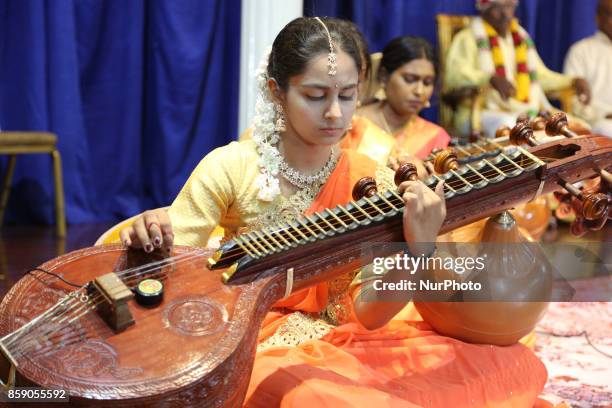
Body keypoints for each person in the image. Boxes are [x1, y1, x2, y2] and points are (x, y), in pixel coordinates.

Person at [121, 17, 547, 407]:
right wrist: (152, 234)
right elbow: (172, 263)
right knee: (317, 398)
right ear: (276, 92)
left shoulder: (370, 179)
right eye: (315, 95)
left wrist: (420, 250)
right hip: (256, 341)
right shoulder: (234, 167)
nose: (334, 113)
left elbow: (371, 313)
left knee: (508, 364)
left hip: (349, 342)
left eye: (346, 96)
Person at [445, 0, 591, 138]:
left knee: (578, 127)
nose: (505, 14)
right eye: (498, 8)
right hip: (481, 113)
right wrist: (489, 79)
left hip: (525, 110)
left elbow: (540, 77)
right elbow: (454, 77)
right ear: (484, 10)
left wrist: (572, 81)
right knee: (516, 127)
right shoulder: (468, 38)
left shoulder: (521, 38)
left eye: (509, 6)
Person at [352, 36, 450, 172]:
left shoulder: (436, 137)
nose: (419, 91)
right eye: (410, 79)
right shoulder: (353, 122)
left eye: (427, 82)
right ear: (384, 76)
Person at [564, 0, 612, 137]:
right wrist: (604, 114)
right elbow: (573, 101)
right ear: (598, 18)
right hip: (597, 123)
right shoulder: (580, 51)